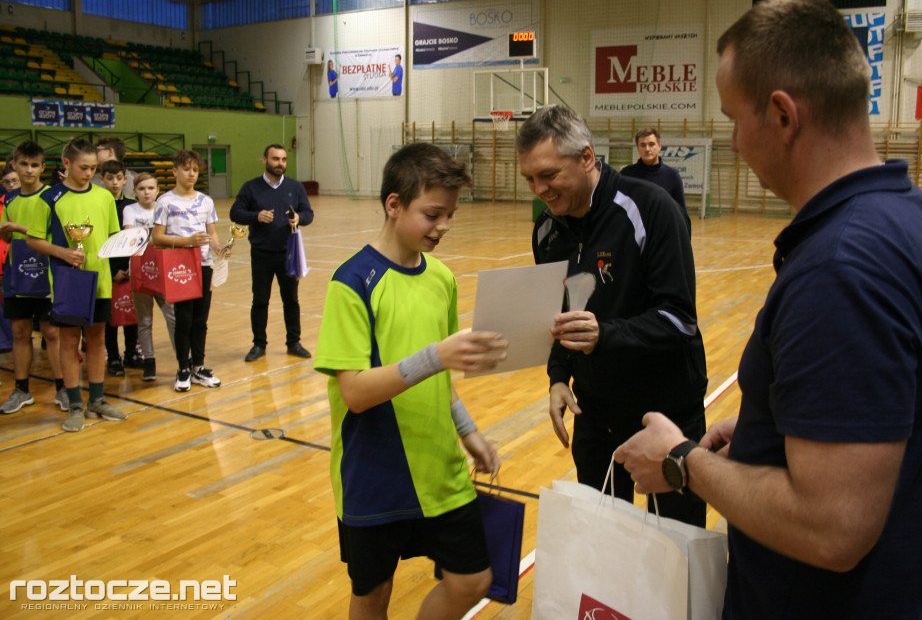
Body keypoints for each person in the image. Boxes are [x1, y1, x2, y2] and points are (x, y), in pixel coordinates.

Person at [614, 0, 922, 619]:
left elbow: (830, 528)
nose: (731, 142)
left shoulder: (844, 267)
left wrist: (682, 463)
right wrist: (767, 433)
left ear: (782, 114)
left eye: (733, 119)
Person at [314, 142, 508, 620]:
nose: (443, 226)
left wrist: (469, 433)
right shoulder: (353, 282)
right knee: (373, 597)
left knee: (474, 579)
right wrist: (436, 355)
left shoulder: (441, 278)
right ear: (394, 204)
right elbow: (355, 392)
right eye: (433, 213)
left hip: (440, 470)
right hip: (374, 475)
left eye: (450, 215)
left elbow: (440, 380)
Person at [517, 105, 708, 527]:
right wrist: (557, 378)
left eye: (549, 175)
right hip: (596, 414)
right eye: (529, 179)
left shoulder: (652, 209)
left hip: (665, 414)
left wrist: (605, 334)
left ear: (587, 157)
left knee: (678, 550)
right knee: (600, 545)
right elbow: (561, 317)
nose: (540, 190)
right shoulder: (547, 231)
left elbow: (679, 320)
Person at [25, 138, 125, 432]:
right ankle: (74, 403)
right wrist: (63, 252)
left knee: (97, 340)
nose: (89, 173)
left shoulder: (105, 197)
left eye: (93, 168)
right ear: (66, 164)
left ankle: (97, 399)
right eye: (83, 167)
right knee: (69, 342)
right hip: (67, 282)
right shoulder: (50, 198)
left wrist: (131, 243)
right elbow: (32, 239)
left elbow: (111, 236)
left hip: (101, 282)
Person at [229, 144, 314, 362]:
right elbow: (235, 212)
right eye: (275, 159)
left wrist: (299, 219)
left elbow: (308, 213)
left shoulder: (295, 187)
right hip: (261, 254)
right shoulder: (251, 188)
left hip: (289, 254)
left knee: (291, 301)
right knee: (260, 301)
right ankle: (259, 344)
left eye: (284, 159)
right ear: (264, 160)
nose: (280, 164)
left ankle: (293, 342)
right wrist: (256, 216)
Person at [152, 150, 226, 393]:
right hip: (180, 266)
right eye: (186, 169)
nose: (191, 174)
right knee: (183, 319)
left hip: (204, 265)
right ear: (175, 171)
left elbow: (211, 233)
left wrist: (219, 248)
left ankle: (198, 367)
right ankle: (183, 368)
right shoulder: (165, 202)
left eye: (195, 169)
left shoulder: (206, 201)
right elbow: (157, 237)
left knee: (200, 320)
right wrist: (187, 242)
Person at [0, 141, 65, 414]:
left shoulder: (52, 196)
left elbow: (52, 233)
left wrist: (16, 227)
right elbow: (6, 236)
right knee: (19, 332)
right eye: (23, 164)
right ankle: (22, 389)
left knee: (51, 332)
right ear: (14, 165)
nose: (28, 170)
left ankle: (63, 388)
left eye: (34, 165)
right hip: (18, 275)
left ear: (42, 167)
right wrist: (6, 230)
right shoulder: (9, 199)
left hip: (47, 276)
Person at [122, 172, 176, 382]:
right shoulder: (130, 210)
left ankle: (183, 358)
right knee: (144, 320)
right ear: (135, 191)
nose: (146, 193)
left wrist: (151, 238)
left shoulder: (164, 208)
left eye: (150, 188)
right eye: (142, 189)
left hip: (163, 270)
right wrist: (156, 239)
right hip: (139, 271)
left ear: (157, 190)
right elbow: (131, 237)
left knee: (172, 317)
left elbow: (170, 238)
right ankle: (149, 360)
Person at [99, 158, 141, 376]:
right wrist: (113, 270)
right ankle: (113, 357)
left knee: (131, 312)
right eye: (109, 178)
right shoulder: (100, 205)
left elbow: (135, 239)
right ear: (102, 179)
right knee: (111, 318)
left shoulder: (130, 206)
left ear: (125, 179)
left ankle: (132, 352)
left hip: (130, 268)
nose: (115, 183)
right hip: (109, 270)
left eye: (118, 178)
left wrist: (131, 268)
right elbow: (103, 241)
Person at [619, 128, 691, 237]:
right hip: (634, 238)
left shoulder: (672, 176)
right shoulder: (626, 174)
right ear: (638, 148)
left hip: (662, 236)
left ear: (659, 146)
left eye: (651, 144)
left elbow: (681, 214)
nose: (647, 149)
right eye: (643, 145)